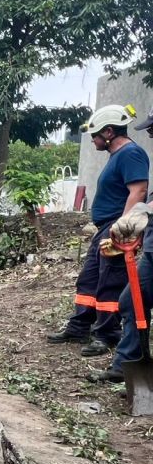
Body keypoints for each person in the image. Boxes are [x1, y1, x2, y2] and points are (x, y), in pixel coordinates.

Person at [48, 104, 149, 361]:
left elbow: (137, 191)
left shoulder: (130, 154)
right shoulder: (117, 157)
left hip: (116, 226)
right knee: (89, 278)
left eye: (94, 135)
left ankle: (107, 334)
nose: (93, 140)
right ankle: (79, 327)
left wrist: (123, 228)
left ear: (109, 132)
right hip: (104, 226)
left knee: (110, 282)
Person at [91, 108, 153, 382]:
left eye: (152, 129)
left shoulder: (131, 154)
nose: (149, 133)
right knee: (131, 301)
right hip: (152, 247)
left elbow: (137, 188)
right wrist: (141, 213)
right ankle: (126, 365)